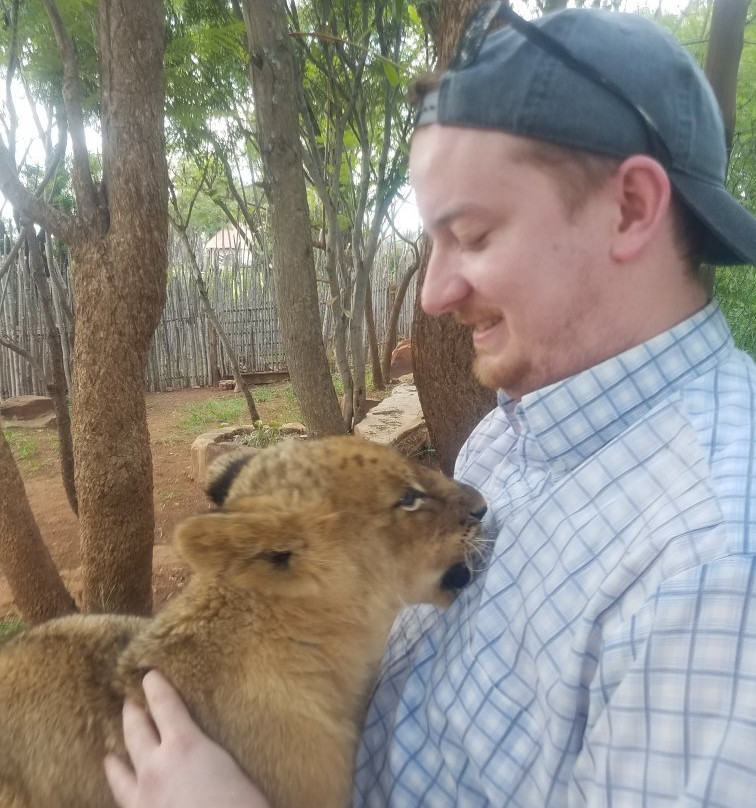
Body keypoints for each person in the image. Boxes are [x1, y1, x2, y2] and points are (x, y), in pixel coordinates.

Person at [105, 4, 756, 806]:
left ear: (629, 208)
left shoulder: (716, 565)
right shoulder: (509, 439)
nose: (439, 292)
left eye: (474, 236)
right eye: (432, 244)